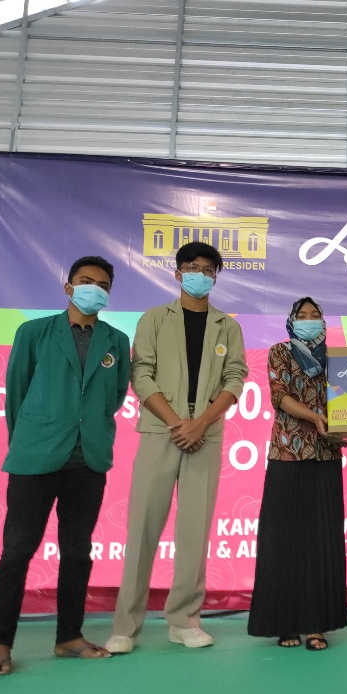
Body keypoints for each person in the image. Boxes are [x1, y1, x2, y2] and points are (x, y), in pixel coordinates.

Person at [0, 256, 130, 676]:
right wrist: (30, 440)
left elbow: (116, 395)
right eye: (86, 281)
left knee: (78, 552)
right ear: (68, 287)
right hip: (35, 457)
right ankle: (0, 643)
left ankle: (69, 637)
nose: (94, 289)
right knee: (17, 551)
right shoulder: (33, 332)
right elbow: (16, 393)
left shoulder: (117, 341)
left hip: (89, 460)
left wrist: (88, 427)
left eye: (103, 284)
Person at [105, 242, 247, 653]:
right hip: (160, 431)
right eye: (192, 267)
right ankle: (125, 627)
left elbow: (235, 377)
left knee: (194, 531)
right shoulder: (154, 318)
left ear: (215, 277)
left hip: (206, 435)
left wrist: (200, 423)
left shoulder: (227, 327)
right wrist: (175, 422)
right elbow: (141, 374)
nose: (200, 274)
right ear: (178, 273)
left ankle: (184, 620)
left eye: (208, 269)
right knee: (142, 528)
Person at [247, 297, 347, 651]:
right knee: (283, 540)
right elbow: (280, 397)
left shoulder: (337, 359)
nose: (308, 320)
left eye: (314, 315)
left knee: (322, 539)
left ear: (324, 321)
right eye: (301, 316)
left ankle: (317, 624)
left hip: (325, 454)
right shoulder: (280, 352)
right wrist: (314, 416)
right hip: (288, 453)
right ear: (291, 321)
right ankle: (285, 623)